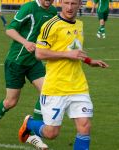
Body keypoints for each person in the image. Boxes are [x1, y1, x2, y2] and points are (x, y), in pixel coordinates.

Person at [18, 0, 109, 149]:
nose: (70, 7)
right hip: (56, 87)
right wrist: (67, 55)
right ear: (61, 3)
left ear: (80, 4)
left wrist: (88, 61)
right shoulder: (51, 25)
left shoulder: (79, 24)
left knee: (85, 127)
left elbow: (75, 49)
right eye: (66, 2)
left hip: (78, 85)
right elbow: (39, 53)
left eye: (74, 3)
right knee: (51, 133)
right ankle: (30, 123)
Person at [0, 0, 57, 149]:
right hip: (16, 61)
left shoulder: (52, 12)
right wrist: (26, 42)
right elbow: (9, 29)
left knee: (48, 91)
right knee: (10, 102)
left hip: (34, 61)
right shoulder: (29, 7)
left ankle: (32, 133)